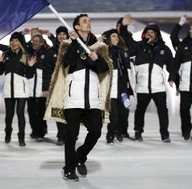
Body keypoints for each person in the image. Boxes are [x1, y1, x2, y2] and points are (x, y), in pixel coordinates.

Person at [44, 14, 112, 182]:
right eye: (84, 21)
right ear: (76, 27)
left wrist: (97, 59)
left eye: (89, 21)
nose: (88, 23)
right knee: (71, 135)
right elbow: (67, 62)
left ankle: (80, 156)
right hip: (73, 98)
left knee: (96, 131)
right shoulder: (68, 44)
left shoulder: (99, 46)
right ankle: (69, 169)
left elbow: (105, 69)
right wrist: (75, 42)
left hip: (93, 98)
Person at [120, 15, 174, 143]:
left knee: (162, 111)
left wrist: (172, 78)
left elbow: (172, 65)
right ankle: (138, 132)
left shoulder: (164, 49)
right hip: (142, 86)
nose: (149, 34)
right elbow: (126, 39)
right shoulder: (138, 47)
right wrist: (124, 26)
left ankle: (164, 134)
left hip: (158, 87)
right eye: (147, 32)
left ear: (157, 34)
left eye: (152, 32)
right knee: (140, 111)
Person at [0, 32, 35, 147]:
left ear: (21, 42)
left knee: (20, 114)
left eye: (16, 40)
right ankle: (8, 133)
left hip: (21, 89)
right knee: (9, 115)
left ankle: (21, 137)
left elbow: (29, 75)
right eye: (12, 40)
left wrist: (31, 67)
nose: (14, 43)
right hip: (8, 89)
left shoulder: (26, 55)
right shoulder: (6, 54)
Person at [101, 29, 133, 145]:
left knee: (124, 114)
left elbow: (128, 69)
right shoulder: (105, 51)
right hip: (111, 89)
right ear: (109, 38)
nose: (116, 38)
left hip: (123, 89)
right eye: (113, 36)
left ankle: (119, 132)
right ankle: (110, 135)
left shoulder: (123, 51)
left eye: (117, 36)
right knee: (113, 116)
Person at [45, 26, 69, 145]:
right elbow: (47, 70)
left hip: (71, 84)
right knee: (58, 110)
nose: (61, 36)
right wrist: (46, 87)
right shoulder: (51, 51)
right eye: (59, 34)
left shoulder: (72, 49)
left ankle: (70, 135)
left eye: (64, 34)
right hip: (56, 85)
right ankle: (61, 135)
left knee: (70, 111)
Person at [26, 34, 51, 141]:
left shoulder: (46, 54)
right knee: (31, 112)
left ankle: (41, 130)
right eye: (33, 41)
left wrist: (46, 87)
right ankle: (34, 130)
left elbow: (47, 72)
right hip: (30, 89)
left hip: (41, 89)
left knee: (41, 112)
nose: (34, 43)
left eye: (37, 41)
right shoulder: (29, 54)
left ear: (42, 43)